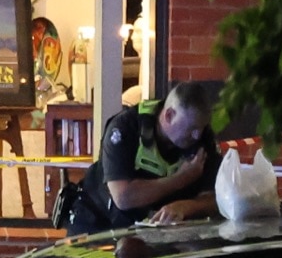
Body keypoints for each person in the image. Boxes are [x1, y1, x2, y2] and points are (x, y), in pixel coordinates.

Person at [89, 79, 223, 229]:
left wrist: (186, 207)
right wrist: (182, 178)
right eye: (191, 128)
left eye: (202, 128)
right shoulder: (126, 127)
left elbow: (217, 198)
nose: (197, 136)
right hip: (101, 223)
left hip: (160, 230)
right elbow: (123, 197)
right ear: (169, 116)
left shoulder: (203, 138)